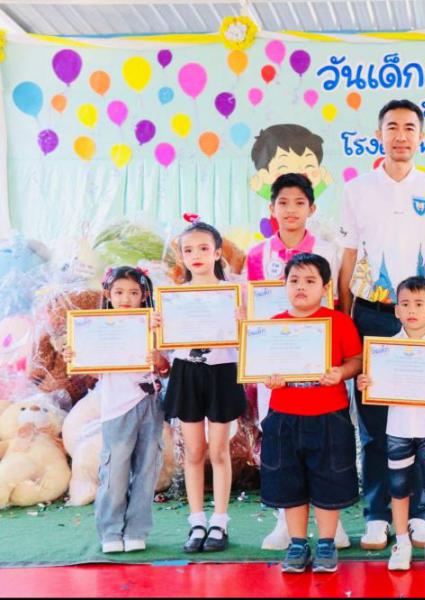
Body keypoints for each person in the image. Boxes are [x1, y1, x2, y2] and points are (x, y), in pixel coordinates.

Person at [337, 99, 425, 550]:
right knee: (374, 423)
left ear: (421, 136)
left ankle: (420, 513)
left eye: (409, 128)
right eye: (392, 127)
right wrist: (345, 316)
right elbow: (349, 257)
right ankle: (377, 515)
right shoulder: (357, 189)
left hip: (422, 321)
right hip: (371, 314)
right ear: (378, 135)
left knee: (420, 419)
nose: (401, 136)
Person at [245, 172, 349, 551]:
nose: (291, 210)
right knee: (279, 443)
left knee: (326, 450)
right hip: (275, 367)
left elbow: (337, 303)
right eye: (283, 203)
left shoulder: (328, 251)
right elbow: (250, 311)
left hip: (320, 370)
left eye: (299, 203)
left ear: (312, 208)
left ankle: (332, 526)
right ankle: (284, 525)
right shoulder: (257, 254)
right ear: (271, 208)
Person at [260, 253, 362, 574]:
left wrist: (341, 373)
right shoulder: (274, 325)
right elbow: (261, 366)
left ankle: (327, 543)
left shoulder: (339, 322)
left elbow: (357, 360)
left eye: (309, 281)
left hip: (329, 416)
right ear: (284, 285)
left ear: (325, 287)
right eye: (294, 280)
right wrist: (268, 377)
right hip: (283, 415)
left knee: (329, 479)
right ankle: (297, 543)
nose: (301, 287)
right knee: (289, 480)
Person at [357, 277, 425, 571]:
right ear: (396, 311)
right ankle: (401, 543)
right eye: (404, 304)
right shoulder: (384, 349)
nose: (411, 310)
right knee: (399, 487)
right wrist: (365, 382)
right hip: (399, 431)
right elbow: (373, 384)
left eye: (419, 304)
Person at [62, 267, 168, 553]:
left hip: (149, 404)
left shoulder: (153, 323)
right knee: (115, 469)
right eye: (119, 292)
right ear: (108, 294)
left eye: (134, 292)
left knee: (147, 469)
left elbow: (165, 366)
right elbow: (89, 369)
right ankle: (110, 530)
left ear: (144, 295)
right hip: (115, 408)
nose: (126, 298)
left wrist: (158, 358)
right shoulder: (97, 327)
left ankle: (136, 530)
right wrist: (75, 356)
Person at [157, 219, 247, 553]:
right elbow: (164, 346)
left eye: (204, 248)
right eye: (189, 250)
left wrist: (244, 322)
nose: (196, 255)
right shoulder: (173, 296)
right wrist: (157, 326)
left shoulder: (234, 293)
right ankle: (196, 521)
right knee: (193, 451)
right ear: (181, 256)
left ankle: (220, 522)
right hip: (186, 373)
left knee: (219, 451)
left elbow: (250, 340)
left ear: (218, 253)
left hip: (222, 372)